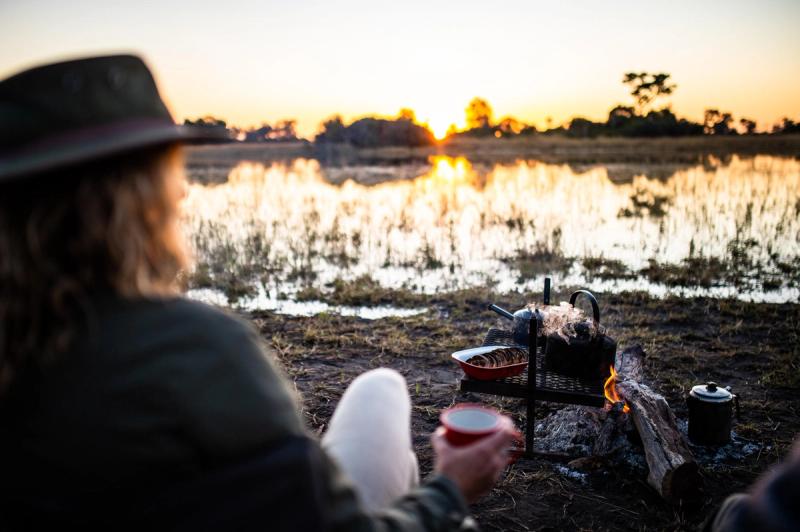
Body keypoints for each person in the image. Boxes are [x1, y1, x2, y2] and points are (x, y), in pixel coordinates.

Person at [0, 55, 518, 531]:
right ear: (128, 198)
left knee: (380, 391)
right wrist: (451, 489)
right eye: (167, 173)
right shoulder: (195, 349)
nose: (181, 191)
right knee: (384, 392)